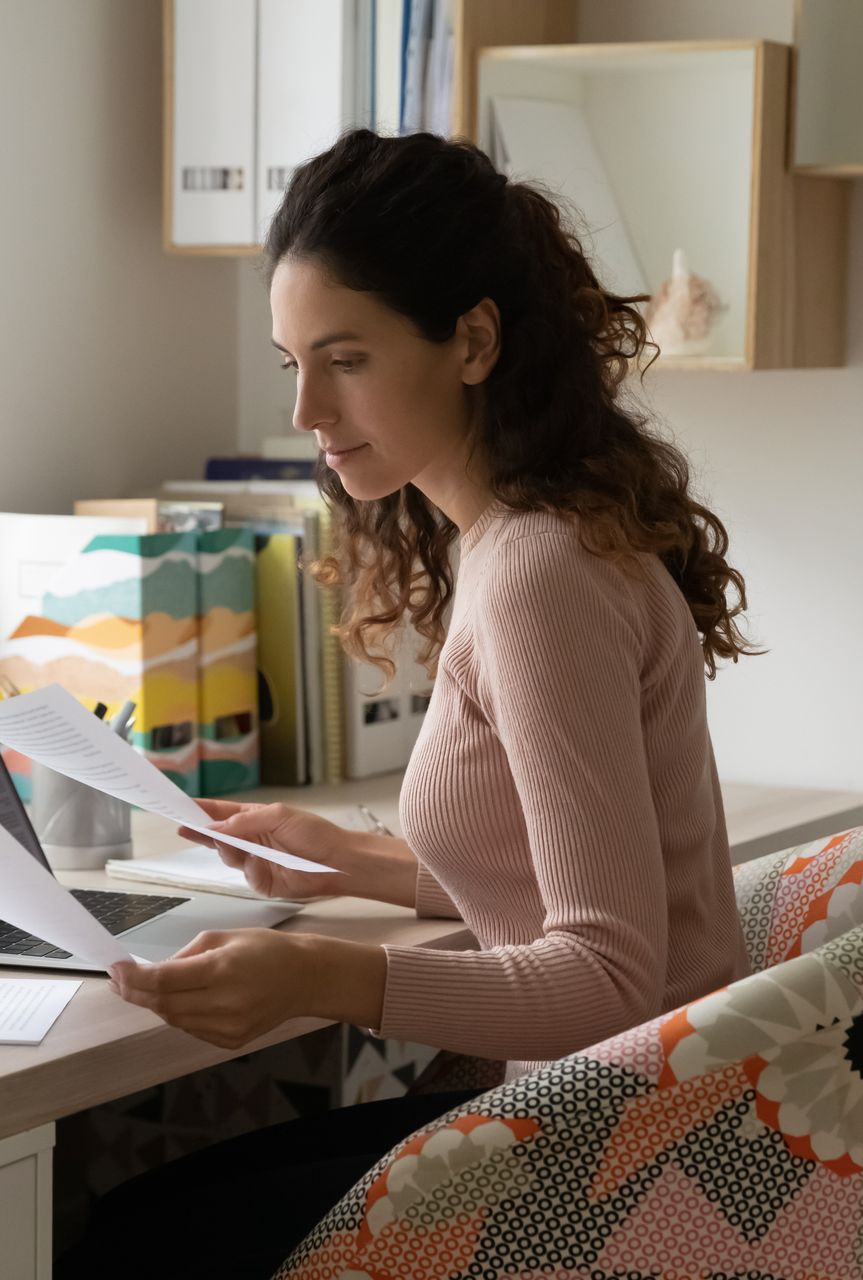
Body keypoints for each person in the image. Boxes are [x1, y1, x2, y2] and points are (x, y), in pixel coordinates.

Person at [58, 128, 759, 1279]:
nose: (306, 410)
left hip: (623, 1159)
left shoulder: (539, 574)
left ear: (473, 340)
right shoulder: (528, 540)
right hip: (641, 1120)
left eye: (344, 358)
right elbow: (564, 873)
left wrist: (322, 972)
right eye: (290, 361)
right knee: (156, 1202)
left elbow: (608, 973)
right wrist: (353, 860)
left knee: (125, 1237)